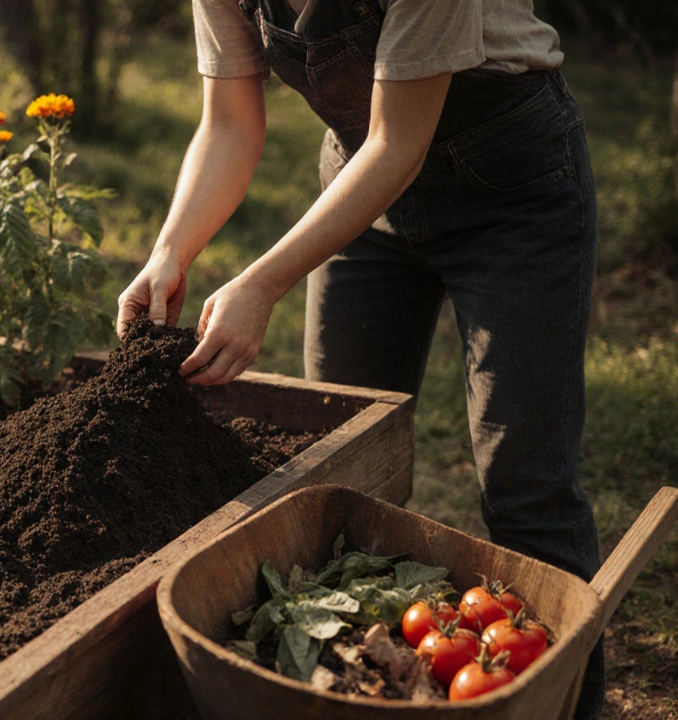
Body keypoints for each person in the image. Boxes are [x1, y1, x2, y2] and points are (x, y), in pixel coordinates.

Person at [115, 0, 604, 715]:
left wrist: (265, 281)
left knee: (526, 487)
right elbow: (227, 124)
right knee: (344, 474)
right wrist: (169, 250)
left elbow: (399, 140)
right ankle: (375, 694)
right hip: (362, 192)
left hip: (512, 191)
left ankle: (569, 705)